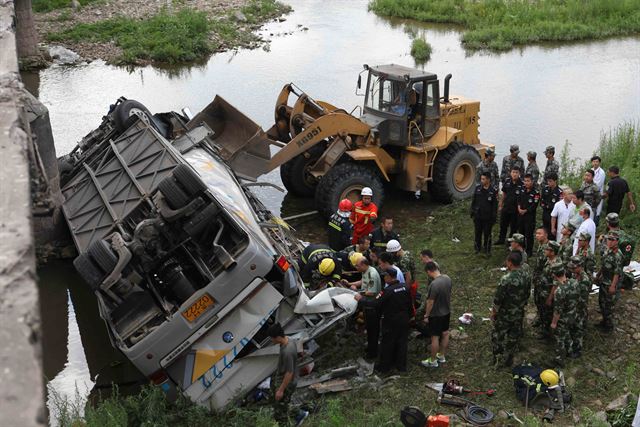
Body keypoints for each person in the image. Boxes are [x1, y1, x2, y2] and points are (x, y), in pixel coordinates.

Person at [355, 268, 412, 373]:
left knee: (387, 343)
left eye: (385, 276)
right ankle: (401, 366)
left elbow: (375, 303)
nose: (384, 278)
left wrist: (361, 299)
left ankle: (384, 367)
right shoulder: (405, 287)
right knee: (402, 343)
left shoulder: (387, 291)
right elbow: (410, 304)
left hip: (391, 321)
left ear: (389, 277)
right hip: (404, 319)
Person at [490, 251, 529, 367]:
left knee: (498, 335)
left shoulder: (506, 279)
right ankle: (509, 357)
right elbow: (527, 293)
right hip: (519, 311)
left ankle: (497, 358)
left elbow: (498, 299)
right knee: (513, 336)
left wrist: (493, 312)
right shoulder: (526, 276)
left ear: (510, 263)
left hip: (505, 314)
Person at [268, 323, 309, 426]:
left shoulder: (288, 351)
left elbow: (289, 373)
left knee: (280, 410)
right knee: (280, 402)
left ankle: (289, 421)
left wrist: (281, 390)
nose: (271, 340)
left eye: (272, 338)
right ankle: (300, 414)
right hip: (282, 377)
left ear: (277, 337)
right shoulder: (288, 339)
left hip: (287, 381)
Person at [347, 256, 381, 359]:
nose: (356, 268)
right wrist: (350, 284)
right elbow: (363, 282)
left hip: (372, 305)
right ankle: (371, 347)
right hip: (366, 303)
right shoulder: (365, 271)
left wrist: (358, 293)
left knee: (372, 329)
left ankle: (373, 353)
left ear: (363, 264)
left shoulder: (372, 274)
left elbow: (371, 292)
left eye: (357, 266)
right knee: (368, 328)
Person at [420, 262, 452, 368]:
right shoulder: (447, 278)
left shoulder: (434, 284)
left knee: (435, 337)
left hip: (436, 314)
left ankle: (433, 361)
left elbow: (430, 302)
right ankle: (441, 355)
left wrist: (426, 315)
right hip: (446, 311)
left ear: (429, 271)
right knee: (446, 333)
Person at [549, 263, 578, 366]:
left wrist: (553, 323)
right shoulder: (574, 282)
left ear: (554, 275)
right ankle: (570, 351)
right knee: (567, 333)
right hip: (573, 314)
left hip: (563, 318)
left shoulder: (559, 291)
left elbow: (558, 311)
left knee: (559, 338)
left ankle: (559, 359)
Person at [596, 231, 624, 332]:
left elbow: (617, 272)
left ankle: (608, 326)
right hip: (604, 281)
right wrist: (598, 275)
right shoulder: (608, 251)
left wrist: (613, 286)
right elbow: (604, 265)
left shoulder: (618, 255)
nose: (609, 241)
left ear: (617, 241)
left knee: (608, 305)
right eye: (608, 239)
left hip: (610, 283)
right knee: (601, 302)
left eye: (612, 240)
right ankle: (604, 321)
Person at [603, 213, 637, 290]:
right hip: (619, 268)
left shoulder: (609, 237)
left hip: (609, 272)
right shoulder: (624, 235)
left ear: (608, 223)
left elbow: (604, 254)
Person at [568, 256, 591, 358]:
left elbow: (582, 298)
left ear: (580, 267)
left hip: (579, 307)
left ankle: (578, 349)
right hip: (573, 306)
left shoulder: (584, 280)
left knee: (578, 328)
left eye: (573, 268)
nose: (571, 270)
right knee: (573, 326)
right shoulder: (574, 274)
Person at [471, 172, 498, 254]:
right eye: (481, 179)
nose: (481, 180)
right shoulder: (478, 188)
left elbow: (494, 206)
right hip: (478, 216)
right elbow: (474, 201)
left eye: (483, 179)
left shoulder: (493, 191)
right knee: (477, 233)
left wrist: (494, 217)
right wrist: (472, 212)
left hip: (487, 217)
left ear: (488, 180)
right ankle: (477, 248)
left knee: (487, 234)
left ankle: (487, 249)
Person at [538, 241, 561, 337]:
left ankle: (548, 332)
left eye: (547, 249)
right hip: (543, 291)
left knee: (548, 312)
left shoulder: (556, 264)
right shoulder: (549, 260)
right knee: (544, 311)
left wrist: (550, 297)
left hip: (549, 293)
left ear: (553, 252)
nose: (545, 251)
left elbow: (556, 283)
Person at [496, 167, 524, 245]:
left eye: (516, 172)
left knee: (514, 226)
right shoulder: (507, 181)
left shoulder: (522, 184)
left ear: (519, 174)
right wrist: (501, 203)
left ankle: (511, 241)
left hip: (515, 209)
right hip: (506, 207)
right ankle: (501, 239)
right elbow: (504, 193)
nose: (514, 174)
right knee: (503, 224)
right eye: (513, 172)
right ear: (510, 173)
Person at [386, 239, 417, 305]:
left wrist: (405, 290)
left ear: (396, 251)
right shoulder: (407, 253)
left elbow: (408, 277)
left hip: (409, 284)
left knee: (409, 303)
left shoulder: (404, 261)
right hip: (413, 282)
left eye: (392, 253)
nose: (392, 255)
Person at [517, 173, 540, 256]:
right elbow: (518, 199)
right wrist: (519, 208)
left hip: (529, 217)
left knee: (529, 235)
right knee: (521, 234)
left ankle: (529, 251)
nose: (526, 183)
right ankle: (521, 249)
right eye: (525, 181)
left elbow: (534, 205)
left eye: (528, 181)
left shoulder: (536, 193)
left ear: (532, 181)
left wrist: (526, 210)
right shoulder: (522, 189)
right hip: (520, 216)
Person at [532, 228, 549, 328]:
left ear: (546, 235)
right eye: (536, 233)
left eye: (540, 233)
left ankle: (545, 324)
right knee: (537, 300)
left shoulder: (548, 248)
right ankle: (540, 318)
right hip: (538, 278)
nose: (537, 235)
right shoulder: (540, 246)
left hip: (544, 280)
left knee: (543, 302)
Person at [540, 173, 562, 240]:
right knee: (545, 233)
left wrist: (548, 206)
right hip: (545, 214)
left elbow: (558, 205)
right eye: (548, 181)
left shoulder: (559, 192)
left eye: (550, 181)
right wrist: (546, 206)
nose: (548, 183)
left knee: (552, 234)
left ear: (555, 181)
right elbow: (542, 202)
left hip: (554, 216)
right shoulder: (545, 189)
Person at [591, 156, 606, 224]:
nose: (595, 163)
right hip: (590, 195)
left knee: (596, 212)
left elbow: (597, 185)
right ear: (592, 162)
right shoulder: (591, 170)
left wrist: (589, 185)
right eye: (594, 161)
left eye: (597, 162)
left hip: (596, 195)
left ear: (599, 163)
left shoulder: (601, 172)